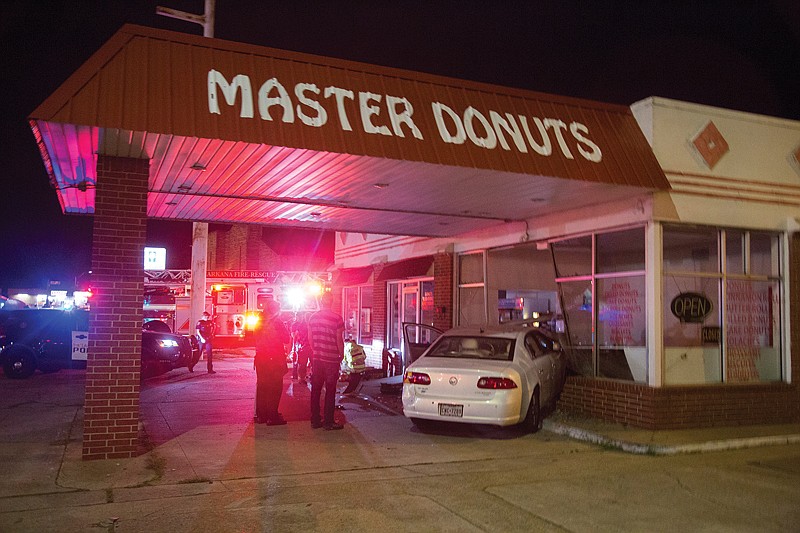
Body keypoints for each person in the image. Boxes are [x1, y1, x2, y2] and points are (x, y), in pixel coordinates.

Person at [307, 292, 345, 430]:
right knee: (330, 390)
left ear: (321, 301)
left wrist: (316, 351)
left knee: (316, 390)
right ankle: (328, 421)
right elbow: (339, 340)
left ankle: (315, 420)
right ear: (332, 301)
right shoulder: (337, 319)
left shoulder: (313, 318)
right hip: (331, 359)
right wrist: (341, 356)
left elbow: (310, 338)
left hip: (317, 358)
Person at [253, 299, 292, 425]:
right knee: (275, 387)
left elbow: (254, 338)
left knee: (262, 386)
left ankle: (261, 415)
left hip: (260, 357)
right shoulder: (277, 322)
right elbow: (286, 338)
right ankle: (272, 416)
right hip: (274, 358)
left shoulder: (259, 321)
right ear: (275, 310)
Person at [291, 313, 311, 385]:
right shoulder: (296, 325)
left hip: (306, 346)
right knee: (302, 363)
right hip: (302, 346)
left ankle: (303, 377)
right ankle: (301, 378)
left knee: (304, 363)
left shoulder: (305, 325)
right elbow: (294, 336)